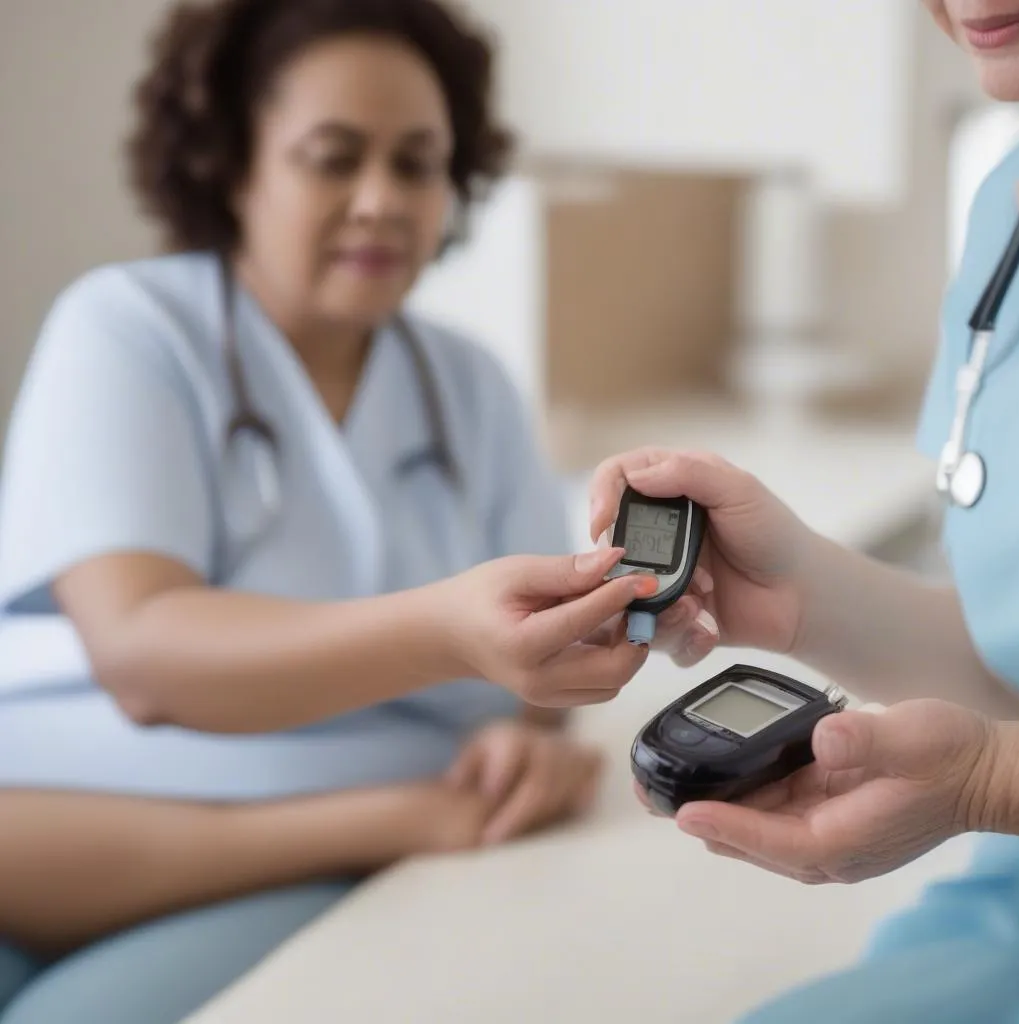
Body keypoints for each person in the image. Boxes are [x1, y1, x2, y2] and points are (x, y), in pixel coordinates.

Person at [0, 1, 661, 1020]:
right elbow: (144, 657)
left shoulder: (469, 386)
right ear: (232, 163)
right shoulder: (129, 329)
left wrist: (534, 735)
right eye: (332, 157)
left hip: (315, 863)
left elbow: (536, 673)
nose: (381, 200)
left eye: (417, 163)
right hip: (77, 821)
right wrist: (445, 639)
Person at [587, 4, 1019, 1020]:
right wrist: (800, 596)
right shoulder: (1005, 205)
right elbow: (1009, 667)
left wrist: (992, 781)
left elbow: (1000, 744)